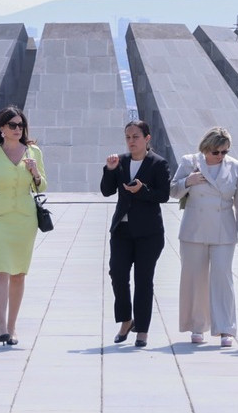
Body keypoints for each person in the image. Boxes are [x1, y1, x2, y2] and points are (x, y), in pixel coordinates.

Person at [171, 125, 238, 347]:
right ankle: (197, 326)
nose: (220, 156)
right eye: (215, 152)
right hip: (193, 230)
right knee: (195, 278)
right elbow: (173, 191)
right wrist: (189, 181)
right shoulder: (190, 162)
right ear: (205, 148)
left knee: (222, 277)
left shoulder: (234, 167)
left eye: (224, 152)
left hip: (223, 230)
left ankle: (226, 328)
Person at [0, 105, 45, 346]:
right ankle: (1, 325)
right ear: (1, 128)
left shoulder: (33, 152)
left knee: (19, 274)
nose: (17, 129)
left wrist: (35, 173)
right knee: (1, 270)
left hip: (24, 219)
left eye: (20, 125)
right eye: (12, 125)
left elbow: (42, 186)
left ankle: (13, 326)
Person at [100, 118, 171, 348]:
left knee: (143, 280)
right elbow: (106, 191)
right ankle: (126, 319)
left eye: (136, 137)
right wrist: (109, 170)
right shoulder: (119, 161)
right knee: (117, 274)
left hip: (149, 233)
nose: (131, 141)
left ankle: (142, 329)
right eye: (128, 137)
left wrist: (142, 190)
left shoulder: (158, 164)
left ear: (147, 139)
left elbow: (163, 195)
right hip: (122, 229)